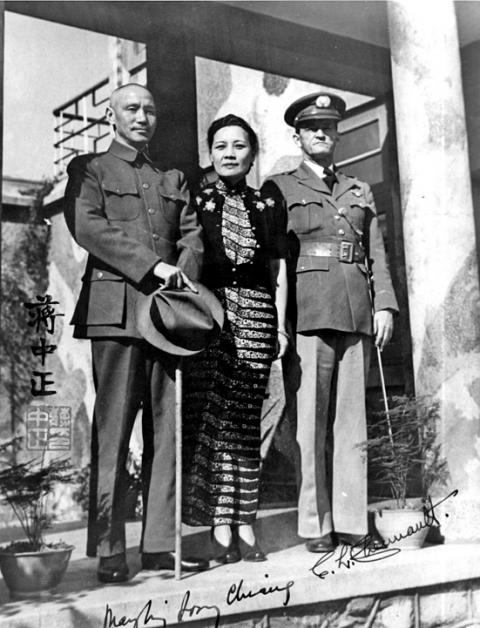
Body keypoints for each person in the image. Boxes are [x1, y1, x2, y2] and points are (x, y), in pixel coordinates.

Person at [63, 83, 208, 582]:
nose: (142, 117)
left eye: (149, 109)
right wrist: (153, 266)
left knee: (167, 429)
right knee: (114, 431)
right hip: (116, 313)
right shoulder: (91, 169)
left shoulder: (172, 178)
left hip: (166, 317)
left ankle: (160, 545)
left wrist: (181, 274)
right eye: (131, 108)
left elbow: (192, 236)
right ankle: (109, 548)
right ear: (111, 115)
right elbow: (88, 227)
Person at [262, 92, 399, 552]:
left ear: (338, 133)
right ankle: (314, 524)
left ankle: (352, 521)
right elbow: (275, 263)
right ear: (297, 137)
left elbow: (375, 252)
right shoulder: (280, 187)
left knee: (352, 423)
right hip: (309, 312)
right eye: (311, 128)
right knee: (310, 425)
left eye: (328, 126)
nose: (321, 133)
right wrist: (278, 323)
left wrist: (384, 304)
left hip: (356, 311)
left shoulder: (358, 189)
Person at [182, 114, 289, 563]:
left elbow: (277, 269)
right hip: (212, 316)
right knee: (216, 424)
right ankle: (221, 526)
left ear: (252, 153)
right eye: (221, 146)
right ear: (210, 153)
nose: (229, 153)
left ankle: (246, 521)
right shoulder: (197, 202)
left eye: (239, 145)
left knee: (246, 423)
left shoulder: (267, 204)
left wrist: (279, 324)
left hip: (258, 316)